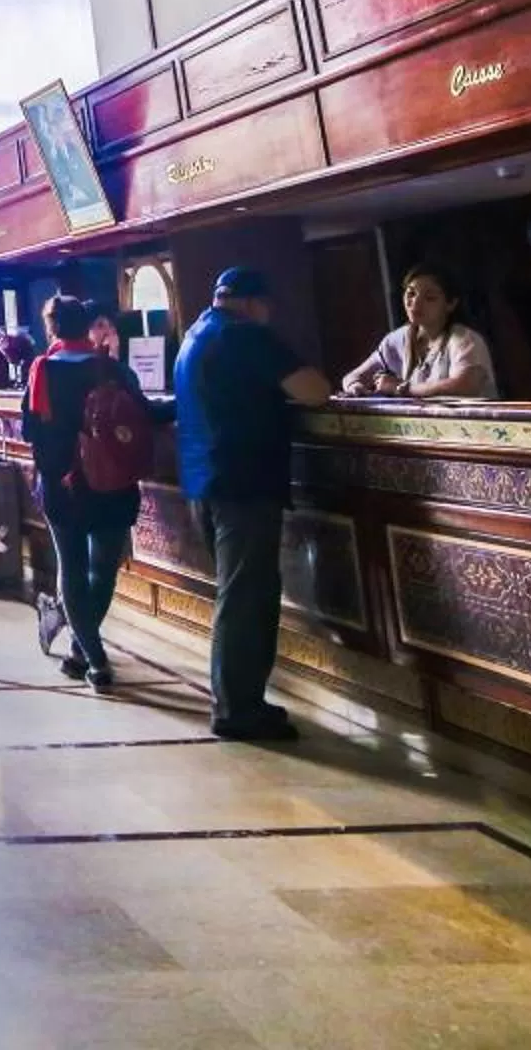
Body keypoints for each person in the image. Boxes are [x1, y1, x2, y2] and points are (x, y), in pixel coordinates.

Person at [172, 266, 333, 743]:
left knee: (238, 594)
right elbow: (316, 391)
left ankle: (241, 701)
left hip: (207, 483)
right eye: (267, 306)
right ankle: (238, 709)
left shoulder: (195, 334)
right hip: (244, 487)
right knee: (245, 599)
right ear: (250, 302)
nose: (269, 315)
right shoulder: (245, 336)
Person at [23, 295, 171, 690]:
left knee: (71, 568)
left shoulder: (42, 371)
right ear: (88, 325)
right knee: (102, 570)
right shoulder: (113, 370)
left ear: (51, 328)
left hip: (62, 486)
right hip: (114, 485)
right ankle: (80, 650)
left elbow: (29, 430)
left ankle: (94, 659)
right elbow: (148, 413)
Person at [339, 264, 497, 399]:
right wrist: (355, 387)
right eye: (411, 293)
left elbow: (465, 387)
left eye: (429, 298)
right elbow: (353, 377)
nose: (415, 302)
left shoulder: (465, 340)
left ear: (451, 304)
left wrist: (401, 388)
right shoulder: (397, 340)